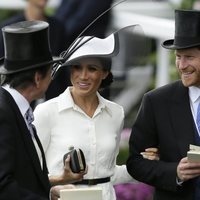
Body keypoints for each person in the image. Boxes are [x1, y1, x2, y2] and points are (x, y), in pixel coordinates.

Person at [33, 25, 159, 200]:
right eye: (77, 67)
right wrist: (53, 187)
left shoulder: (116, 113)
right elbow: (29, 174)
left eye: (92, 69)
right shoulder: (46, 112)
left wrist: (146, 163)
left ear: (105, 73)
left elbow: (110, 173)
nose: (83, 76)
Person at [0, 20, 79, 200]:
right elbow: (3, 186)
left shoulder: (17, 109)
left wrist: (50, 192)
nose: (52, 79)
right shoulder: (3, 113)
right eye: (51, 71)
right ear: (37, 78)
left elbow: (22, 176)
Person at [127, 9, 200, 200]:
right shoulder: (156, 101)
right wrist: (174, 171)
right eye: (178, 57)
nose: (182, 65)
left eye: (189, 57)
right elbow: (136, 162)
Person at [0, 0, 70, 101]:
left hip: (53, 96)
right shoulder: (9, 28)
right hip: (20, 96)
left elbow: (63, 68)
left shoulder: (57, 27)